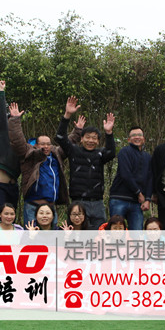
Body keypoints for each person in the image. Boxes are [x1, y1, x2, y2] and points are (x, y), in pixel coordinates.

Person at [8, 103, 84, 225]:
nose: (46, 146)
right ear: (36, 145)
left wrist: (78, 130)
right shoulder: (30, 155)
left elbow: (69, 143)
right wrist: (15, 120)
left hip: (51, 207)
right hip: (33, 205)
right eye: (42, 144)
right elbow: (17, 141)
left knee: (52, 236)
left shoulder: (56, 154)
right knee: (32, 235)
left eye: (48, 144)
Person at [55, 96, 116, 230]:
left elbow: (111, 152)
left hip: (98, 203)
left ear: (98, 141)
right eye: (87, 137)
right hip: (78, 203)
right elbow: (60, 137)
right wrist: (67, 115)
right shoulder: (74, 151)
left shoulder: (100, 154)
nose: (90, 141)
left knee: (100, 235)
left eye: (94, 138)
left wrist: (109, 133)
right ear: (81, 139)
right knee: (78, 236)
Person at [108, 126, 153, 230]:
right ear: (129, 139)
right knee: (116, 232)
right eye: (134, 135)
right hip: (119, 198)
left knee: (137, 233)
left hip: (137, 203)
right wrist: (138, 193)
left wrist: (147, 199)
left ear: (143, 139)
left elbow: (150, 178)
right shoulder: (124, 152)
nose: (137, 137)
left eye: (139, 135)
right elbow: (126, 174)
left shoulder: (147, 157)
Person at [0, 81, 22, 219]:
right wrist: (1, 91)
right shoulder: (2, 132)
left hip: (13, 187)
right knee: (0, 220)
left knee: (11, 221)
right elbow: (1, 114)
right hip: (0, 186)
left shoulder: (20, 141)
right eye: (10, 119)